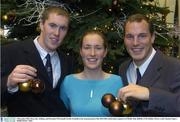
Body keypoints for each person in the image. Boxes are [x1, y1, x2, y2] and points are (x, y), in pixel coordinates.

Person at [1, 6, 75, 117]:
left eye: (63, 28)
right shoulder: (11, 52)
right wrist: (9, 82)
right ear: (41, 24)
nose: (57, 33)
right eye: (52, 25)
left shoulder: (68, 61)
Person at [118, 13, 180, 116]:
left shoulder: (175, 67)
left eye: (142, 36)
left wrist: (149, 94)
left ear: (152, 38)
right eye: (129, 36)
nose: (135, 43)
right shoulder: (123, 68)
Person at [60, 30, 123, 117]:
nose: (92, 53)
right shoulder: (68, 82)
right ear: (81, 52)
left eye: (98, 48)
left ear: (105, 52)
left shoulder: (118, 82)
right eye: (87, 47)